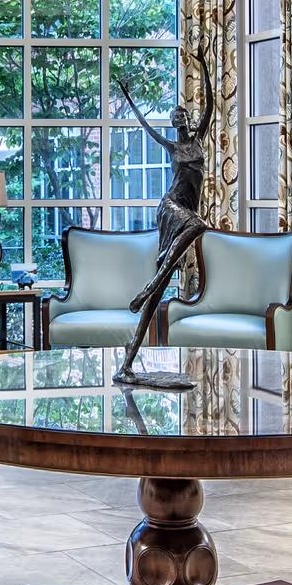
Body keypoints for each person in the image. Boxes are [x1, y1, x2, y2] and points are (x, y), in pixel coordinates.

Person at [113, 49, 215, 377]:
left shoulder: (199, 139)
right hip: (172, 208)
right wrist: (128, 97)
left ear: (189, 119)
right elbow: (144, 126)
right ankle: (151, 285)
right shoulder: (172, 147)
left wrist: (203, 66)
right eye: (176, 119)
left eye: (184, 116)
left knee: (158, 291)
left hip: (187, 210)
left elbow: (211, 104)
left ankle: (129, 359)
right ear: (173, 125)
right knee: (198, 225)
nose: (182, 121)